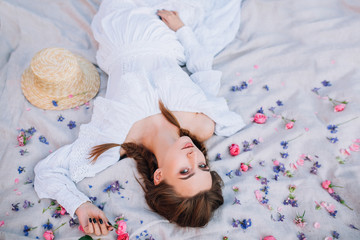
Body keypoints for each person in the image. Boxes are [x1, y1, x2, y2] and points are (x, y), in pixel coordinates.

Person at [34, 0, 245, 236]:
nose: (193, 156)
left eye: (185, 171)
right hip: (166, 27)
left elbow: (49, 171)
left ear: (159, 176)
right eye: (202, 166)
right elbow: (203, 70)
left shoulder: (115, 141)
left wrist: (80, 205)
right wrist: (182, 30)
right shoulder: (202, 124)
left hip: (119, 25)